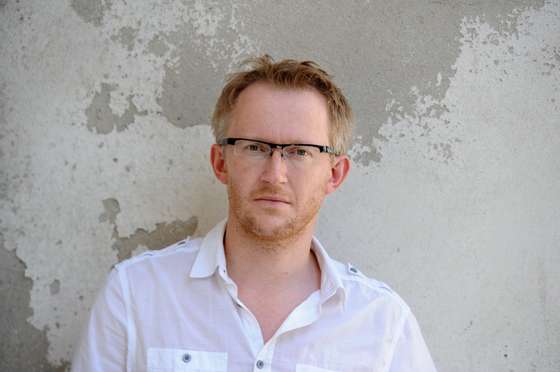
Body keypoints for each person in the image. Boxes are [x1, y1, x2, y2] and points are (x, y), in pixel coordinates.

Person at [72, 55, 437, 371]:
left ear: (334, 174)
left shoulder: (382, 322)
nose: (274, 174)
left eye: (299, 152)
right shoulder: (135, 293)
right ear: (220, 162)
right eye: (254, 147)